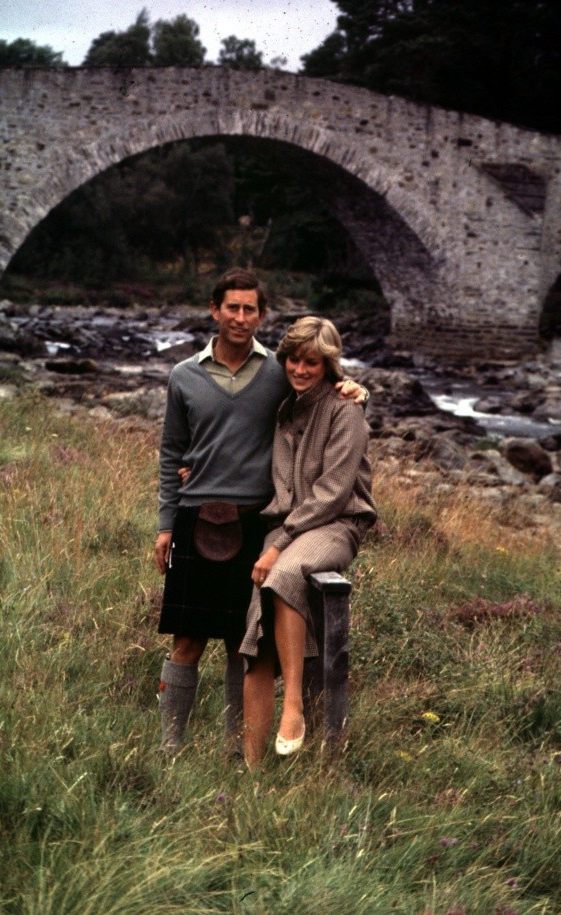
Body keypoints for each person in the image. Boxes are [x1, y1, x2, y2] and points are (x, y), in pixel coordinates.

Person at [153, 269, 367, 755]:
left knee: (241, 642)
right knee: (186, 642)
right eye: (233, 307)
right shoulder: (184, 375)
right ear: (215, 310)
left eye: (251, 309)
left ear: (262, 315)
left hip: (256, 520)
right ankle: (170, 747)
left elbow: (322, 392)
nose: (241, 317)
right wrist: (166, 524)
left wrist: (357, 391)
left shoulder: (278, 371)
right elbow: (171, 454)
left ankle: (234, 749)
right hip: (195, 515)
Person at [239, 316, 377, 769]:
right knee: (256, 628)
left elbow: (333, 493)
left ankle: (293, 705)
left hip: (337, 524)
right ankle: (251, 768)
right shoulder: (286, 406)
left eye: (312, 362)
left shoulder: (345, 408)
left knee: (280, 574)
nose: (300, 369)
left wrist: (280, 544)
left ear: (329, 365)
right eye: (294, 360)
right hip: (293, 526)